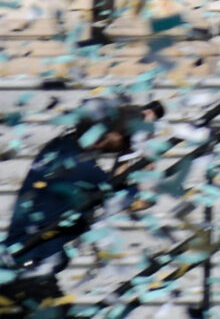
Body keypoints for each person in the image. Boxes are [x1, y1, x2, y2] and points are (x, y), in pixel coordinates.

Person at [0, 99, 160, 314]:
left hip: (14, 269)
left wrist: (128, 147)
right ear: (104, 138)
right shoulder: (84, 170)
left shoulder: (61, 147)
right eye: (125, 134)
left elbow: (112, 184)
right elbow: (144, 199)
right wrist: (144, 146)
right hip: (29, 280)